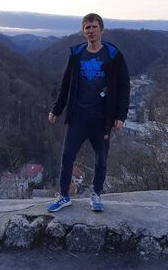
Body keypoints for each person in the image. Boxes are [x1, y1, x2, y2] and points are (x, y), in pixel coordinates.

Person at [47, 13, 130, 212]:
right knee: (67, 155)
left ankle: (96, 194)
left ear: (102, 30)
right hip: (78, 116)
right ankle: (64, 195)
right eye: (87, 28)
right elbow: (66, 84)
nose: (91, 31)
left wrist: (121, 115)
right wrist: (57, 109)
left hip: (102, 118)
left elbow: (124, 86)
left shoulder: (113, 55)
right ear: (83, 31)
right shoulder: (76, 55)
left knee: (101, 158)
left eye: (94, 27)